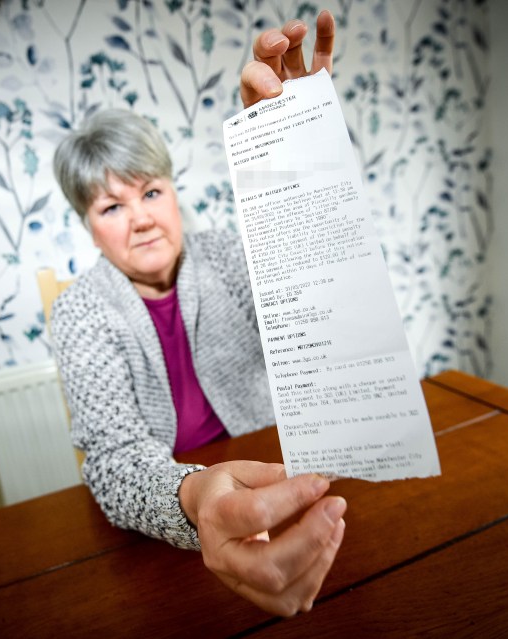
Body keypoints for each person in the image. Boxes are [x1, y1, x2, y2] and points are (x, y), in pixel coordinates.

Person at [50, 11, 340, 617]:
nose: (143, 218)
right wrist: (192, 496)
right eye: (111, 206)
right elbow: (113, 461)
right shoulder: (80, 312)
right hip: (169, 526)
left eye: (152, 192)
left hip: (277, 484)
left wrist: (297, 159)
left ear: (175, 194)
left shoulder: (230, 257)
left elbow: (317, 310)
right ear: (88, 228)